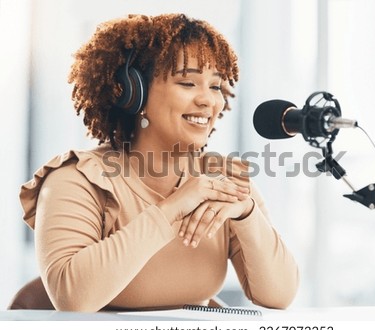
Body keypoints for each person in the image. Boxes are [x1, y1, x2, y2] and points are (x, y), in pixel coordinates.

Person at [20, 13, 299, 312]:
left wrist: (247, 214)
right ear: (133, 94)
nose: (209, 101)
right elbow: (73, 299)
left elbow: (279, 295)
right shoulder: (77, 179)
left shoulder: (223, 181)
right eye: (188, 83)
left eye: (216, 86)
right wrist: (172, 209)